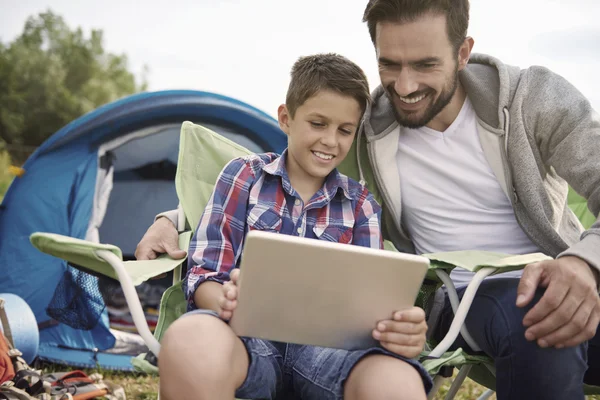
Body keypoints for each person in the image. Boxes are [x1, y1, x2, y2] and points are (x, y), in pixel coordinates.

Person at [137, 1, 600, 399]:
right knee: (540, 314)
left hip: (559, 271)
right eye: (389, 64)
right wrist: (172, 218)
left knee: (544, 304)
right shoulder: (372, 125)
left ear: (463, 52)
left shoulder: (529, 100)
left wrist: (583, 262)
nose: (403, 87)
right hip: (459, 298)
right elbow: (269, 175)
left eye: (424, 64)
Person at [156, 53, 432, 400]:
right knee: (190, 340)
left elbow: (370, 307)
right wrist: (226, 300)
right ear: (286, 118)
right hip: (245, 343)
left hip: (330, 354)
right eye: (318, 124)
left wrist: (398, 329)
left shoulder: (360, 205)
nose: (331, 141)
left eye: (345, 130)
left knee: (396, 381)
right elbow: (204, 274)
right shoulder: (243, 177)